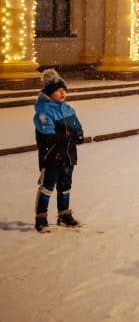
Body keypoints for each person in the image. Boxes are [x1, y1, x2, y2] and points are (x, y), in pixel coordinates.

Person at [33, 69, 84, 232]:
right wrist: (63, 136)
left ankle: (64, 214)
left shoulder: (68, 109)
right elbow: (47, 132)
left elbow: (76, 125)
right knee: (47, 186)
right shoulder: (44, 111)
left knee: (65, 184)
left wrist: (79, 135)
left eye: (64, 90)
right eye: (58, 91)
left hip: (68, 154)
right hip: (53, 154)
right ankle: (41, 218)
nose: (62, 93)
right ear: (49, 93)